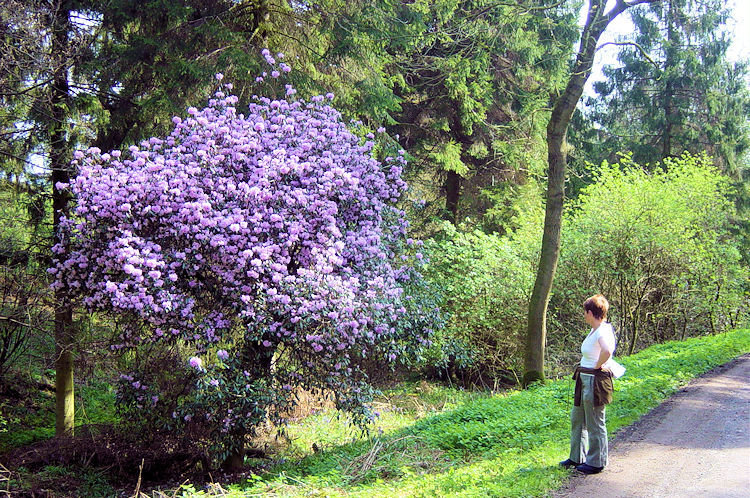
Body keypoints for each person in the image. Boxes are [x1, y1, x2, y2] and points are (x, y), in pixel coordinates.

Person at [559, 294, 615, 475]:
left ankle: (597, 462)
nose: (584, 315)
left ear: (590, 312)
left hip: (594, 380)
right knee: (578, 418)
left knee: (594, 422)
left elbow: (607, 351)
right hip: (584, 378)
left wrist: (597, 366)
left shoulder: (602, 331)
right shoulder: (595, 329)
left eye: (585, 312)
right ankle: (577, 456)